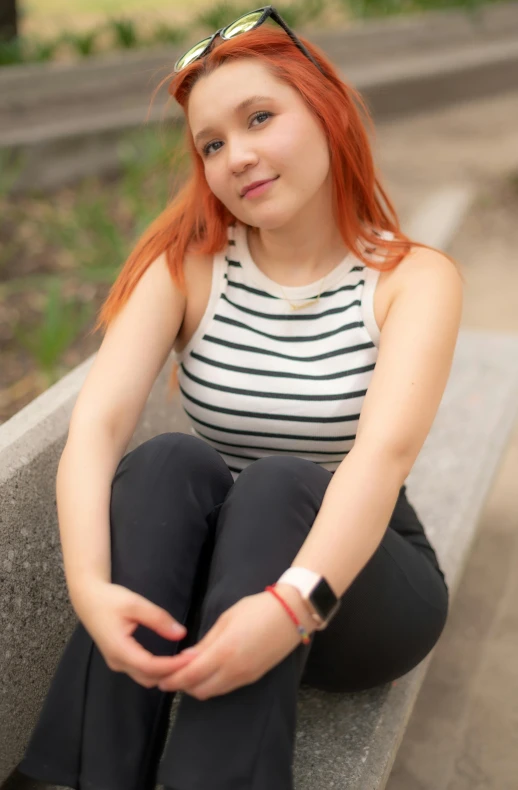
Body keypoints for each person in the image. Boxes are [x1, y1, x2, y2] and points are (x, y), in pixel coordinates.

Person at [17, 7, 463, 790]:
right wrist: (89, 588)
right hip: (227, 563)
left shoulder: (412, 278)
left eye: (260, 118)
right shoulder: (187, 265)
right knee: (167, 463)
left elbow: (381, 456)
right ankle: (82, 778)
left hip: (352, 582)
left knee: (282, 479)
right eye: (212, 144)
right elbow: (99, 425)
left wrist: (295, 603)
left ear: (325, 109)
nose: (238, 157)